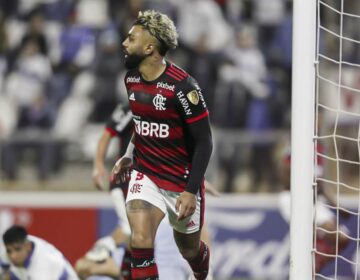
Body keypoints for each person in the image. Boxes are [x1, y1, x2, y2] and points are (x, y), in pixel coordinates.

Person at [111, 10, 213, 280]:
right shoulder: (131, 79)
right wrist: (129, 154)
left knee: (189, 250)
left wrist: (191, 190)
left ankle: (202, 273)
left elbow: (205, 142)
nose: (124, 43)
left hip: (180, 183)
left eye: (131, 38)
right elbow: (141, 121)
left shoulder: (184, 88)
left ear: (149, 47)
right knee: (141, 239)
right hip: (145, 174)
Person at [76, 105, 217, 280]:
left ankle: (115, 257)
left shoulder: (165, 113)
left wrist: (196, 182)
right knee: (132, 229)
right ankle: (107, 248)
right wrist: (98, 166)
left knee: (168, 226)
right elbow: (107, 134)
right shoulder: (135, 106)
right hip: (128, 178)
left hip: (152, 176)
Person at [278, 143, 350, 274]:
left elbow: (320, 183)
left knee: (342, 237)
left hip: (313, 200)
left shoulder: (320, 149)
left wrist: (337, 206)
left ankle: (313, 267)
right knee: (311, 233)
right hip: (294, 197)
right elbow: (284, 171)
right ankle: (306, 266)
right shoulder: (296, 144)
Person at [0, 225, 78, 280]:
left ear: (28, 246)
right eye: (9, 251)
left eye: (18, 250)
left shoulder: (44, 266)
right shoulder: (17, 243)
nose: (13, 256)